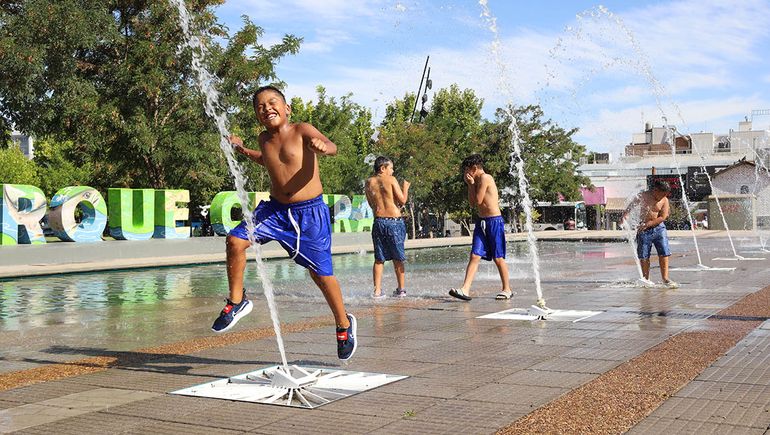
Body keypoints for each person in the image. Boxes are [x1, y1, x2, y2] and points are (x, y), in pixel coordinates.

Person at [211, 85, 357, 361]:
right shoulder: (264, 139)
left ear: (287, 108)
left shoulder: (302, 130)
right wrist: (242, 150)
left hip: (309, 215)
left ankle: (344, 324)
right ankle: (237, 301)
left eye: (273, 102)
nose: (267, 108)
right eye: (260, 106)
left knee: (321, 274)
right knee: (235, 240)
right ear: (257, 116)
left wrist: (322, 147)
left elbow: (332, 147)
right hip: (275, 211)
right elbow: (266, 160)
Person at [449, 154, 512, 301]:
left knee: (498, 257)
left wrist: (471, 184)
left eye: (467, 169)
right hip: (481, 222)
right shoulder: (476, 181)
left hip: (494, 221)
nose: (466, 173)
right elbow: (472, 203)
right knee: (475, 255)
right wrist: (470, 185)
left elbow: (478, 200)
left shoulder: (485, 178)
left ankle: (507, 289)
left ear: (475, 168)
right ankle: (465, 289)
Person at [364, 156, 410, 299]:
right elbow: (402, 201)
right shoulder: (391, 180)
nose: (393, 170)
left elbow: (372, 204)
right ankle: (401, 290)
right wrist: (405, 188)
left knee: (379, 258)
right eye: (390, 168)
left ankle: (377, 291)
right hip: (394, 222)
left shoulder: (368, 182)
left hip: (379, 222)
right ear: (383, 168)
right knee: (398, 257)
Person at [622, 180, 679, 289]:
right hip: (643, 228)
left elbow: (663, 217)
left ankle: (665, 278)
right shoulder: (644, 196)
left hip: (659, 228)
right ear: (655, 190)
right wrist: (625, 214)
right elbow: (632, 204)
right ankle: (645, 278)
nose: (662, 197)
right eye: (661, 194)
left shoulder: (664, 201)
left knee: (664, 252)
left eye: (665, 195)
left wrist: (651, 223)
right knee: (644, 255)